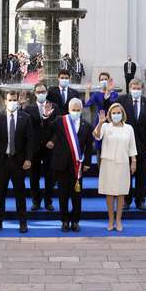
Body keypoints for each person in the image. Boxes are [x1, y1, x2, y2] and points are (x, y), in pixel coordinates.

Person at [0, 91, 34, 233]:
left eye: (15, 99)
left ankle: (23, 222)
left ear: (18, 101)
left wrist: (28, 158)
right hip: (1, 161)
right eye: (10, 100)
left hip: (18, 161)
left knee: (20, 192)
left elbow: (30, 140)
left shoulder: (25, 117)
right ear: (6, 102)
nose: (12, 102)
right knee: (0, 193)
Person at [51, 98, 94, 232]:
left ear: (81, 110)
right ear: (69, 110)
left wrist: (87, 162)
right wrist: (46, 116)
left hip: (78, 166)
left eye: (78, 110)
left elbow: (88, 147)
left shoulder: (86, 125)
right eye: (73, 110)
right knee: (63, 195)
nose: (75, 112)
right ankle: (64, 221)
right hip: (62, 165)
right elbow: (47, 128)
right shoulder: (60, 121)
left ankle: (75, 221)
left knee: (76, 196)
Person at [94, 103, 137, 232]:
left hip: (123, 163)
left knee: (121, 192)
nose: (116, 115)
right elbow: (96, 135)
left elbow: (132, 146)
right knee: (109, 193)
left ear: (122, 114)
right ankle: (111, 220)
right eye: (114, 113)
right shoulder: (106, 126)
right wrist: (100, 122)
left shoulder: (129, 128)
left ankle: (118, 220)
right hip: (108, 163)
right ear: (110, 115)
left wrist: (133, 161)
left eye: (118, 112)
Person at [117, 78, 146, 210]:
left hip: (142, 144)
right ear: (129, 88)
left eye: (138, 88)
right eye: (133, 88)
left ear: (142, 89)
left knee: (141, 173)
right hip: (125, 144)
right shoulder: (121, 100)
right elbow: (114, 117)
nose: (136, 90)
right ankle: (126, 201)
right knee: (126, 173)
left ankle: (140, 200)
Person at [23, 83, 58, 211]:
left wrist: (53, 141)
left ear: (47, 92)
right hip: (34, 148)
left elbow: (58, 127)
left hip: (50, 148)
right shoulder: (28, 109)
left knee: (50, 176)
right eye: (38, 92)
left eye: (43, 91)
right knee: (34, 176)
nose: (41, 94)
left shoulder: (54, 107)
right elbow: (26, 129)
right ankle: (36, 201)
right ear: (35, 93)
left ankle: (48, 201)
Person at [84, 72, 119, 150]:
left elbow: (112, 104)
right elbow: (87, 103)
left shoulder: (114, 94)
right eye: (101, 79)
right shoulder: (96, 94)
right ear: (99, 81)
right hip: (100, 121)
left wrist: (108, 91)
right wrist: (87, 90)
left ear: (109, 81)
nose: (103, 81)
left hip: (112, 120)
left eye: (105, 79)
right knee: (99, 144)